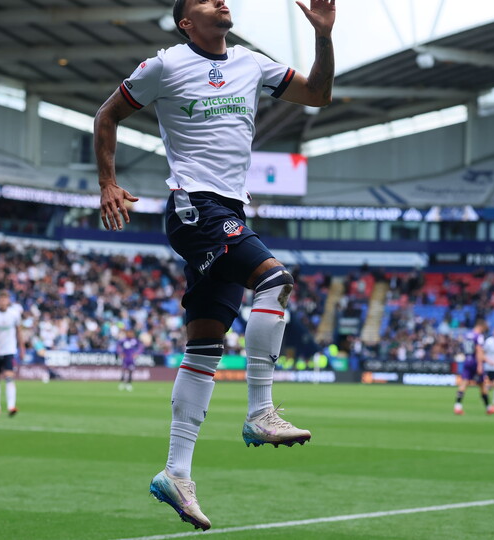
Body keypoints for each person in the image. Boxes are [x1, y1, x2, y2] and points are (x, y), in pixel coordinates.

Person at [94, 0, 335, 531]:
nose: (221, 1)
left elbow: (318, 95)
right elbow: (105, 115)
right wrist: (108, 182)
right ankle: (260, 411)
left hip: (229, 209)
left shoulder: (251, 62)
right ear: (187, 22)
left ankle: (175, 473)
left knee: (204, 346)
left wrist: (323, 34)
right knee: (275, 280)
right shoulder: (164, 65)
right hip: (195, 207)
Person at [0, 290, 24, 417]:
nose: (2, 302)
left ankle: (11, 406)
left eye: (5, 299)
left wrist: (22, 347)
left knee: (9, 376)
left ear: (8, 301)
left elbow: (19, 331)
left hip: (9, 350)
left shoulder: (14, 314)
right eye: (0, 299)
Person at [454, 321, 494, 415]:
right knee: (482, 384)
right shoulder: (478, 336)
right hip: (475, 362)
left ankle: (457, 406)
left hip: (467, 360)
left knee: (463, 383)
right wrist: (480, 365)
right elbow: (479, 350)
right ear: (481, 327)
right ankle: (488, 408)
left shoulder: (467, 335)